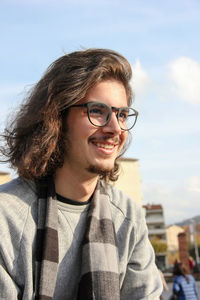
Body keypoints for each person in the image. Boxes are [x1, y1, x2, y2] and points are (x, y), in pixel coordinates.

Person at [0, 48, 162, 299]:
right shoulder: (6, 218)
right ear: (57, 117)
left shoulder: (128, 219)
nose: (115, 128)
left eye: (122, 114)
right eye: (97, 111)